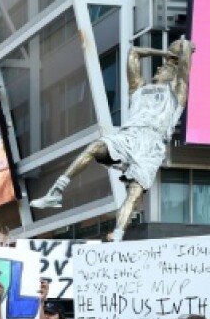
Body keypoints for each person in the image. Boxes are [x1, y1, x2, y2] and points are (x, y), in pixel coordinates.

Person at [31, 39, 196, 242]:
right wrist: (164, 54)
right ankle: (57, 191)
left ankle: (117, 235)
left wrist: (182, 49)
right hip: (128, 136)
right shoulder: (139, 89)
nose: (160, 68)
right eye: (161, 66)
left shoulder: (176, 93)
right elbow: (133, 52)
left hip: (151, 144)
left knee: (134, 194)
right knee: (95, 147)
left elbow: (186, 57)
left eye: (166, 67)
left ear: (174, 70)